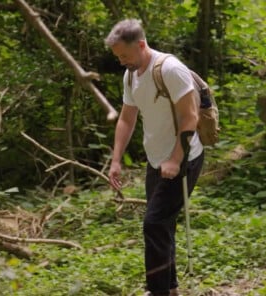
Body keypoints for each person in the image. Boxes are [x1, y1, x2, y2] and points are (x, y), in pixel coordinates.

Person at [104, 19, 204, 296]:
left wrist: (175, 159)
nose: (122, 61)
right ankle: (170, 289)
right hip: (155, 159)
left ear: (141, 44)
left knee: (153, 223)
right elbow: (127, 118)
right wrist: (116, 160)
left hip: (184, 157)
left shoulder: (170, 70)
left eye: (125, 55)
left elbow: (190, 117)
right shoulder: (131, 75)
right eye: (118, 57)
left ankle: (157, 291)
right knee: (162, 225)